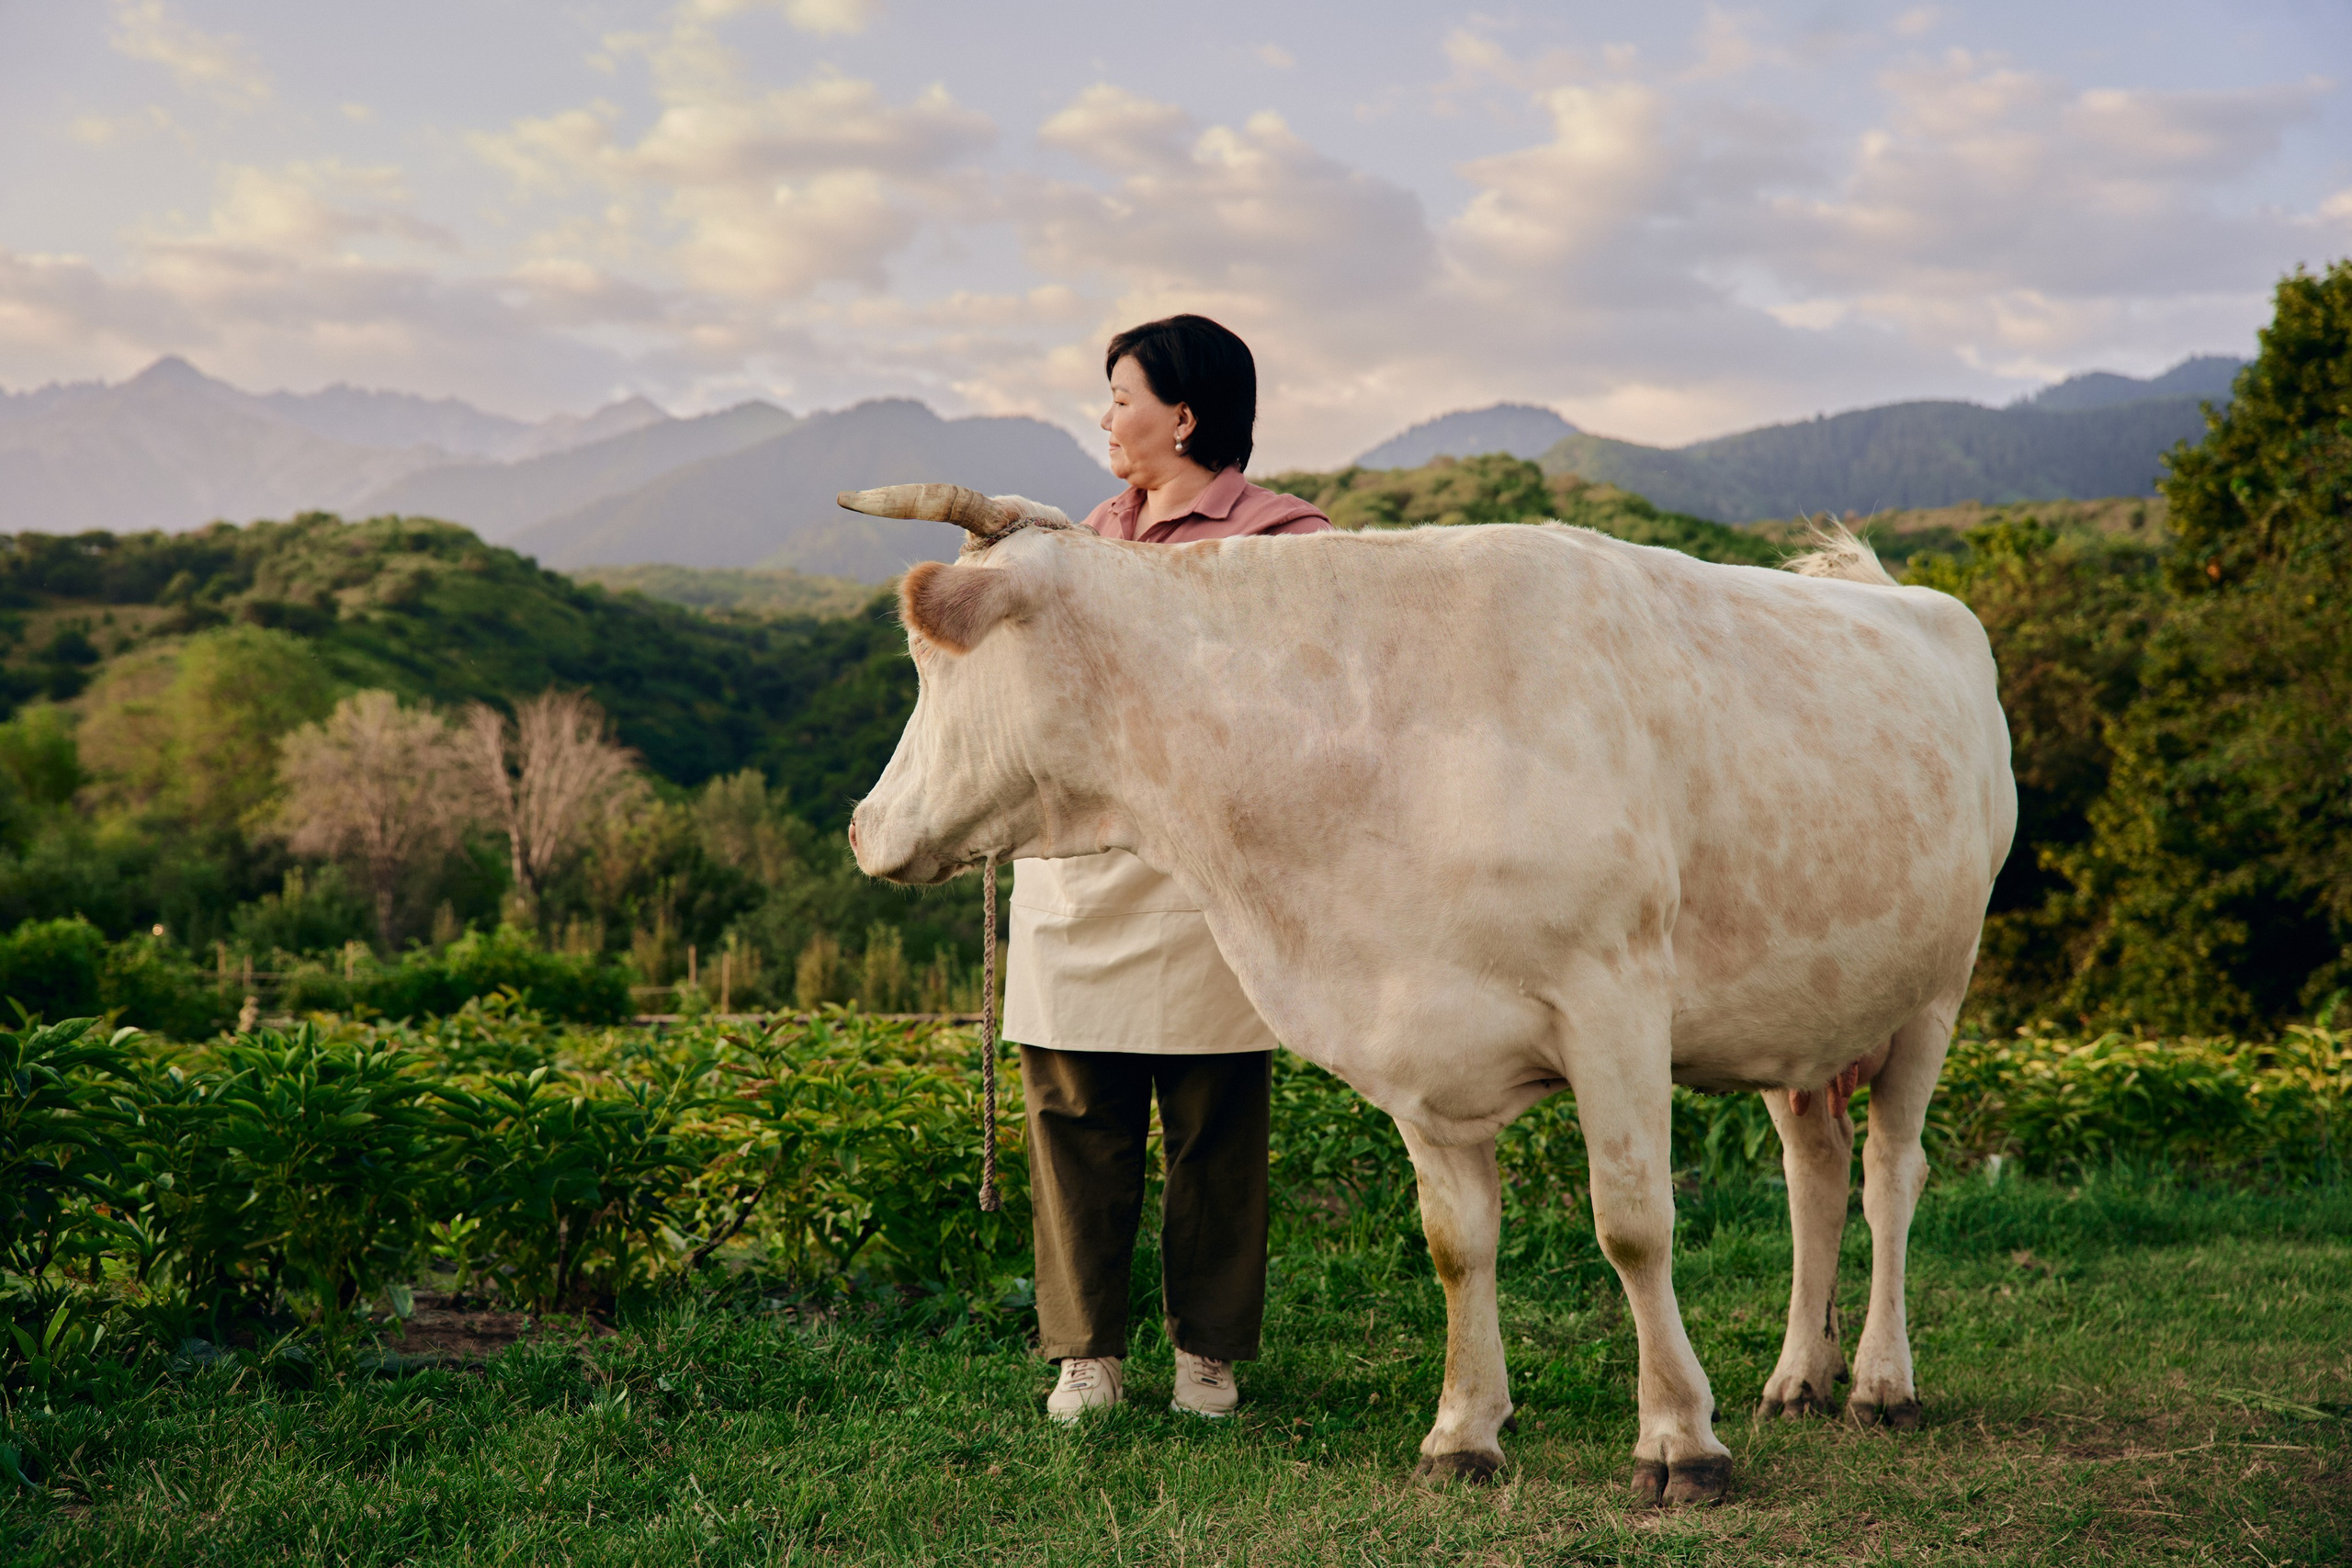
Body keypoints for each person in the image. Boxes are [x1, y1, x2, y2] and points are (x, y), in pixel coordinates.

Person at [1004, 314, 1331, 1424]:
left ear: (1183, 416)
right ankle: (1085, 1352)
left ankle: (1208, 1351)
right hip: (1080, 867)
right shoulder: (1076, 539)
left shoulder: (1285, 544)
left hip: (1207, 882)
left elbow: (1299, 711)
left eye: (1122, 396)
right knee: (1074, 1112)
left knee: (1215, 1123)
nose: (1106, 417)